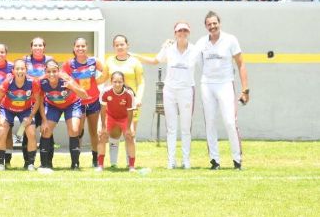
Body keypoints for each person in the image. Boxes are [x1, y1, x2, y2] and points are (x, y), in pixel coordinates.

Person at [134, 23, 199, 169]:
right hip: (169, 91)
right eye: (179, 30)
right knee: (171, 128)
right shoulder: (168, 48)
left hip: (187, 91)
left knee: (186, 127)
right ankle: (171, 161)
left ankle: (186, 161)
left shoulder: (195, 49)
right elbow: (154, 61)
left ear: (189, 32)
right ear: (175, 33)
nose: (182, 33)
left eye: (185, 30)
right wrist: (134, 56)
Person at [196, 12, 249, 170]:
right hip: (207, 85)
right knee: (210, 122)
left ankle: (237, 159)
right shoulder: (201, 42)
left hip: (225, 84)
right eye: (209, 24)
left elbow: (241, 64)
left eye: (215, 23)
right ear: (206, 26)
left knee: (230, 122)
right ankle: (214, 160)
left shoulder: (230, 40)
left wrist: (245, 90)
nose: (212, 26)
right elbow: (191, 56)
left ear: (219, 23)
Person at [63, 37, 106, 168]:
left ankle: (95, 160)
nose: (80, 49)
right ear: (74, 48)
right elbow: (65, 80)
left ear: (86, 47)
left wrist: (96, 82)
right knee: (78, 132)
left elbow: (106, 73)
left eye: (83, 46)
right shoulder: (69, 64)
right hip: (77, 102)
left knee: (94, 132)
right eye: (78, 46)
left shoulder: (94, 61)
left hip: (93, 101)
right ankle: (76, 161)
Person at [38, 59, 88, 170]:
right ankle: (44, 164)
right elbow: (40, 102)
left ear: (58, 70)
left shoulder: (65, 78)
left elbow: (84, 95)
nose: (51, 74)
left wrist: (72, 87)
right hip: (53, 105)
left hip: (71, 104)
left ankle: (75, 164)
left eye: (54, 71)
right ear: (45, 71)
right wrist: (44, 121)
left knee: (74, 130)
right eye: (49, 71)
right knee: (45, 130)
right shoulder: (41, 82)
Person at [0, 59, 41, 171]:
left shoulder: (33, 82)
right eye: (17, 68)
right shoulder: (7, 82)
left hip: (25, 111)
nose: (20, 71)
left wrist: (30, 117)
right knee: (1, 132)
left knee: (31, 133)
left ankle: (30, 164)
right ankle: (1, 163)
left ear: (26, 70)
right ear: (13, 71)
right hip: (7, 110)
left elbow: (38, 101)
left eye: (22, 68)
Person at [95, 72, 136, 172]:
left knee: (129, 137)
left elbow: (130, 112)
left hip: (125, 118)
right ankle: (100, 165)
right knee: (102, 136)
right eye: (115, 82)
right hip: (110, 117)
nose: (117, 84)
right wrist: (102, 126)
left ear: (123, 82)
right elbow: (103, 109)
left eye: (120, 82)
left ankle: (131, 166)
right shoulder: (105, 92)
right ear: (111, 82)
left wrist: (128, 128)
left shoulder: (129, 94)